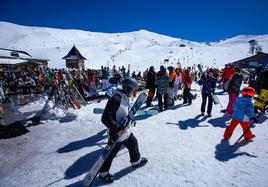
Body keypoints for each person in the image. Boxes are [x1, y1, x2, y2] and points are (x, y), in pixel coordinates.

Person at [100, 77, 148, 183]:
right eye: (133, 90)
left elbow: (123, 113)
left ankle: (136, 161)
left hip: (125, 131)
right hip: (116, 133)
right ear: (127, 88)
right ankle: (103, 173)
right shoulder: (116, 99)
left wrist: (130, 121)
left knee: (133, 143)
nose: (134, 92)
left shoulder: (125, 97)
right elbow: (105, 118)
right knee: (110, 154)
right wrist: (117, 128)